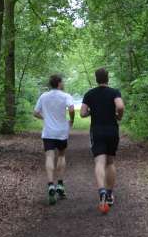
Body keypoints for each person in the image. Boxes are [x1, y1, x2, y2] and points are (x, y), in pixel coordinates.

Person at [80, 67, 125, 214]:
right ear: (108, 78)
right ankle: (110, 194)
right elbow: (120, 106)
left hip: (97, 131)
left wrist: (92, 111)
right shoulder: (114, 92)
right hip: (112, 130)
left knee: (99, 162)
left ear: (96, 78)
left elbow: (82, 113)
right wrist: (119, 116)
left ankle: (102, 192)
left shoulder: (89, 94)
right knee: (110, 162)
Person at [34, 74, 75, 205]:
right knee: (61, 156)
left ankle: (51, 184)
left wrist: (45, 118)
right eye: (62, 82)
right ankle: (60, 185)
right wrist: (71, 120)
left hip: (48, 132)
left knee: (49, 157)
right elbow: (72, 108)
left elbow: (35, 112)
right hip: (62, 132)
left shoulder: (43, 96)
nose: (63, 84)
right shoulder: (65, 95)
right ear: (58, 83)